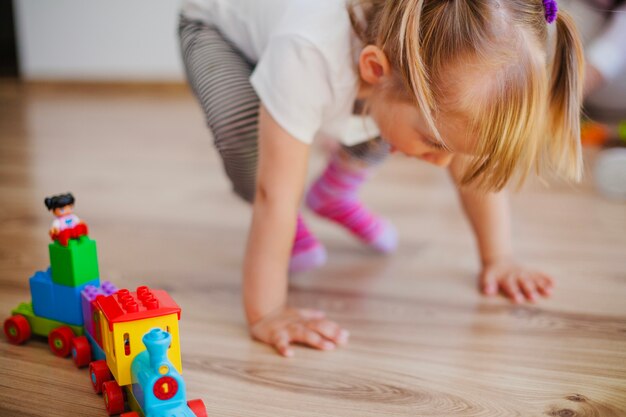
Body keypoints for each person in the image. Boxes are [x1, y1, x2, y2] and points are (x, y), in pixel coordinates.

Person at [179, 0, 584, 357]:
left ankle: (333, 195)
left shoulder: (413, 58)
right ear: (375, 68)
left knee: (392, 124)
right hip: (218, 32)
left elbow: (466, 166)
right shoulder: (308, 53)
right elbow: (273, 195)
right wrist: (267, 313)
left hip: (344, 69)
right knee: (255, 149)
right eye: (435, 143)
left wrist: (499, 257)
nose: (443, 165)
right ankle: (297, 222)